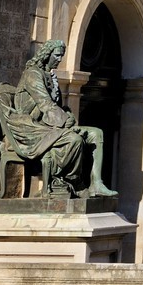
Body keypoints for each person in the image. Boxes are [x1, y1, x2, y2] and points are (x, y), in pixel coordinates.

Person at [8, 39, 115, 197]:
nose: (59, 59)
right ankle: (74, 182)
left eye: (61, 56)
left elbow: (56, 106)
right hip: (33, 128)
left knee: (96, 134)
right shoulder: (32, 74)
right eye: (57, 55)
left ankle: (96, 184)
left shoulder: (50, 76)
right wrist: (65, 121)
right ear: (47, 54)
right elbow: (45, 103)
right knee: (74, 140)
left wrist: (67, 114)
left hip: (51, 124)